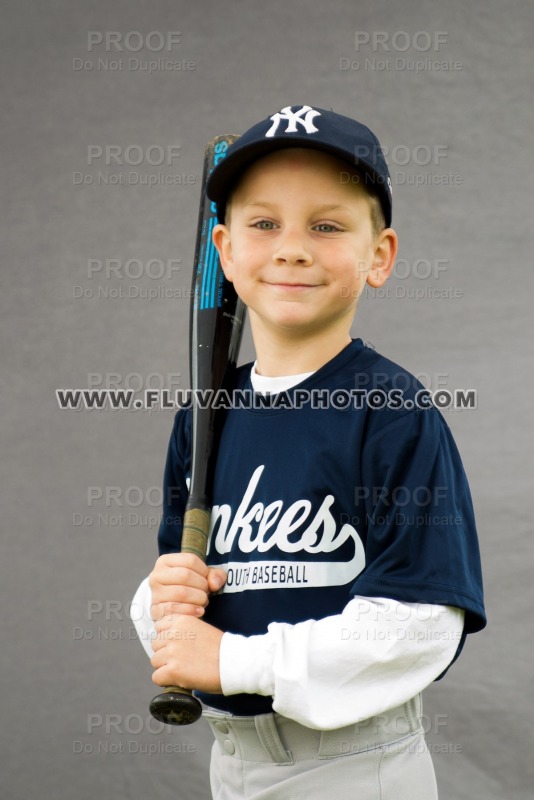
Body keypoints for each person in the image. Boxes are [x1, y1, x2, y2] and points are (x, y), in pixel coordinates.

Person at [132, 105, 486, 799]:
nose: (292, 247)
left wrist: (239, 662)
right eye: (264, 224)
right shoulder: (206, 415)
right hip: (232, 762)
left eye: (326, 226)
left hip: (355, 765)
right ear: (224, 252)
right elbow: (188, 602)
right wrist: (155, 603)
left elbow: (419, 625)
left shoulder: (391, 411)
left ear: (378, 256)